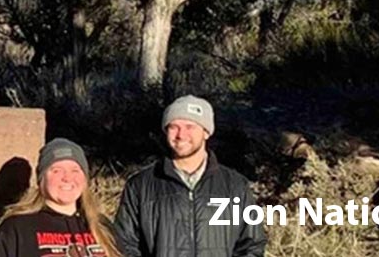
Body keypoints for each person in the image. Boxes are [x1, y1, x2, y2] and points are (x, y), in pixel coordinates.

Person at [113, 95, 267, 257]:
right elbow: (123, 244)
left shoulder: (235, 186)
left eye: (190, 126)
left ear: (206, 132)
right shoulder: (140, 186)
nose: (181, 135)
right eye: (174, 127)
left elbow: (252, 244)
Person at [0, 138, 116, 257]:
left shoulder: (103, 226)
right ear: (42, 179)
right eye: (57, 170)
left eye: (75, 170)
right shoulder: (16, 229)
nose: (67, 178)